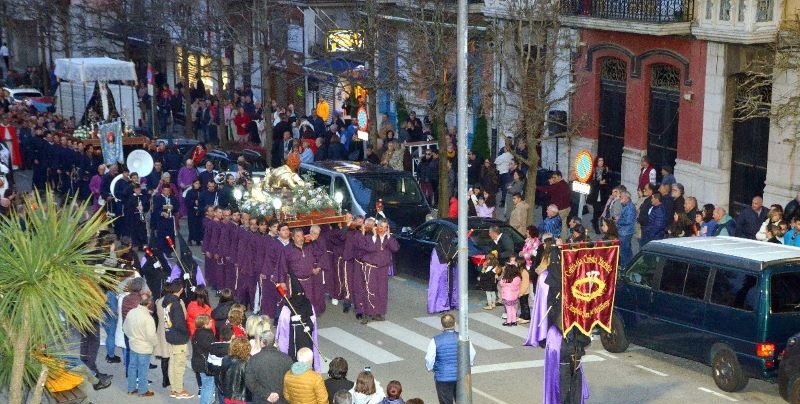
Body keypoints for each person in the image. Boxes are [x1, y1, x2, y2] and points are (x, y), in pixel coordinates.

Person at [425, 313, 475, 404]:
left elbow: (429, 359)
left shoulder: (436, 340)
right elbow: (471, 354)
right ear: (455, 324)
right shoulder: (462, 338)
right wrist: (468, 365)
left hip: (443, 377)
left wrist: (431, 368)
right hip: (460, 376)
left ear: (441, 326)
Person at [355, 219, 399, 323]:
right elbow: (368, 248)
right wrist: (375, 236)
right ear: (377, 227)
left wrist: (388, 236)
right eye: (381, 226)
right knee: (369, 290)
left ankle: (377, 313)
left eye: (385, 227)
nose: (383, 229)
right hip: (370, 267)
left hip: (383, 268)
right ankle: (366, 313)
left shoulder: (389, 238)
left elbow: (395, 248)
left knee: (381, 291)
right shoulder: (370, 237)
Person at [163, 280, 194, 399]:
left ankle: (174, 389)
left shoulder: (167, 301)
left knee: (172, 363)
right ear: (181, 289)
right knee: (179, 365)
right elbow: (180, 323)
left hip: (170, 335)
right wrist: (187, 333)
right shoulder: (176, 304)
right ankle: (179, 390)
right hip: (178, 337)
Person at [122, 293, 157, 397]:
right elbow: (151, 336)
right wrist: (155, 344)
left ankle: (131, 389)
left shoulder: (131, 312)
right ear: (149, 303)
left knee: (132, 367)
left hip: (133, 345)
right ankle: (143, 391)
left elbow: (125, 328)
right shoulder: (148, 318)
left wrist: (132, 337)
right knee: (143, 369)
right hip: (144, 348)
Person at [246, 329, 294, 404]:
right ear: (274, 342)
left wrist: (267, 395)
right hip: (281, 400)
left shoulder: (253, 359)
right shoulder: (286, 358)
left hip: (261, 400)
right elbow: (291, 380)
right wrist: (277, 394)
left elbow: (250, 382)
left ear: (262, 342)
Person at [537, 171, 571, 240]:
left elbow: (547, 189)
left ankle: (555, 240)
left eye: (555, 177)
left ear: (560, 177)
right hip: (566, 208)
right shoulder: (564, 184)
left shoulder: (558, 185)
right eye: (552, 177)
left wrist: (536, 187)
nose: (553, 179)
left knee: (554, 226)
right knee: (563, 225)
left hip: (560, 210)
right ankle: (563, 240)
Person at [191, 314, 216, 404]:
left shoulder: (197, 332)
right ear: (204, 324)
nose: (211, 321)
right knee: (208, 386)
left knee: (205, 386)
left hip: (198, 362)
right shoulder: (207, 334)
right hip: (205, 364)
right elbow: (211, 348)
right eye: (209, 321)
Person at [219, 336, 251, 404]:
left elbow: (221, 377)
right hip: (243, 397)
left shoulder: (225, 359)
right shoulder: (249, 361)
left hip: (228, 395)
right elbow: (250, 382)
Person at [588, 157, 611, 234]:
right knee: (596, 209)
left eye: (602, 160)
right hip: (595, 193)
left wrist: (606, 177)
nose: (601, 162)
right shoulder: (593, 170)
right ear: (597, 162)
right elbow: (591, 182)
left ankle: (594, 221)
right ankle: (596, 226)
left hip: (603, 193)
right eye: (599, 161)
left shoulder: (605, 169)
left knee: (601, 210)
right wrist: (599, 183)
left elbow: (608, 180)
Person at [617, 191, 637, 268]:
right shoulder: (626, 206)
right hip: (625, 232)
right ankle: (630, 265)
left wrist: (618, 221)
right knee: (627, 250)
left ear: (627, 198)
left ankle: (624, 267)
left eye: (622, 197)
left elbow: (628, 221)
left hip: (625, 232)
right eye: (620, 196)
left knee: (623, 251)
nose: (620, 198)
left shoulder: (630, 207)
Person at [499, 262, 522, 326]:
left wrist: (503, 276)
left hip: (507, 296)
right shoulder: (518, 278)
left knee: (508, 309)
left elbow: (501, 284)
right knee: (513, 308)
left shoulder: (506, 278)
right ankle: (514, 321)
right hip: (515, 296)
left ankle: (509, 322)